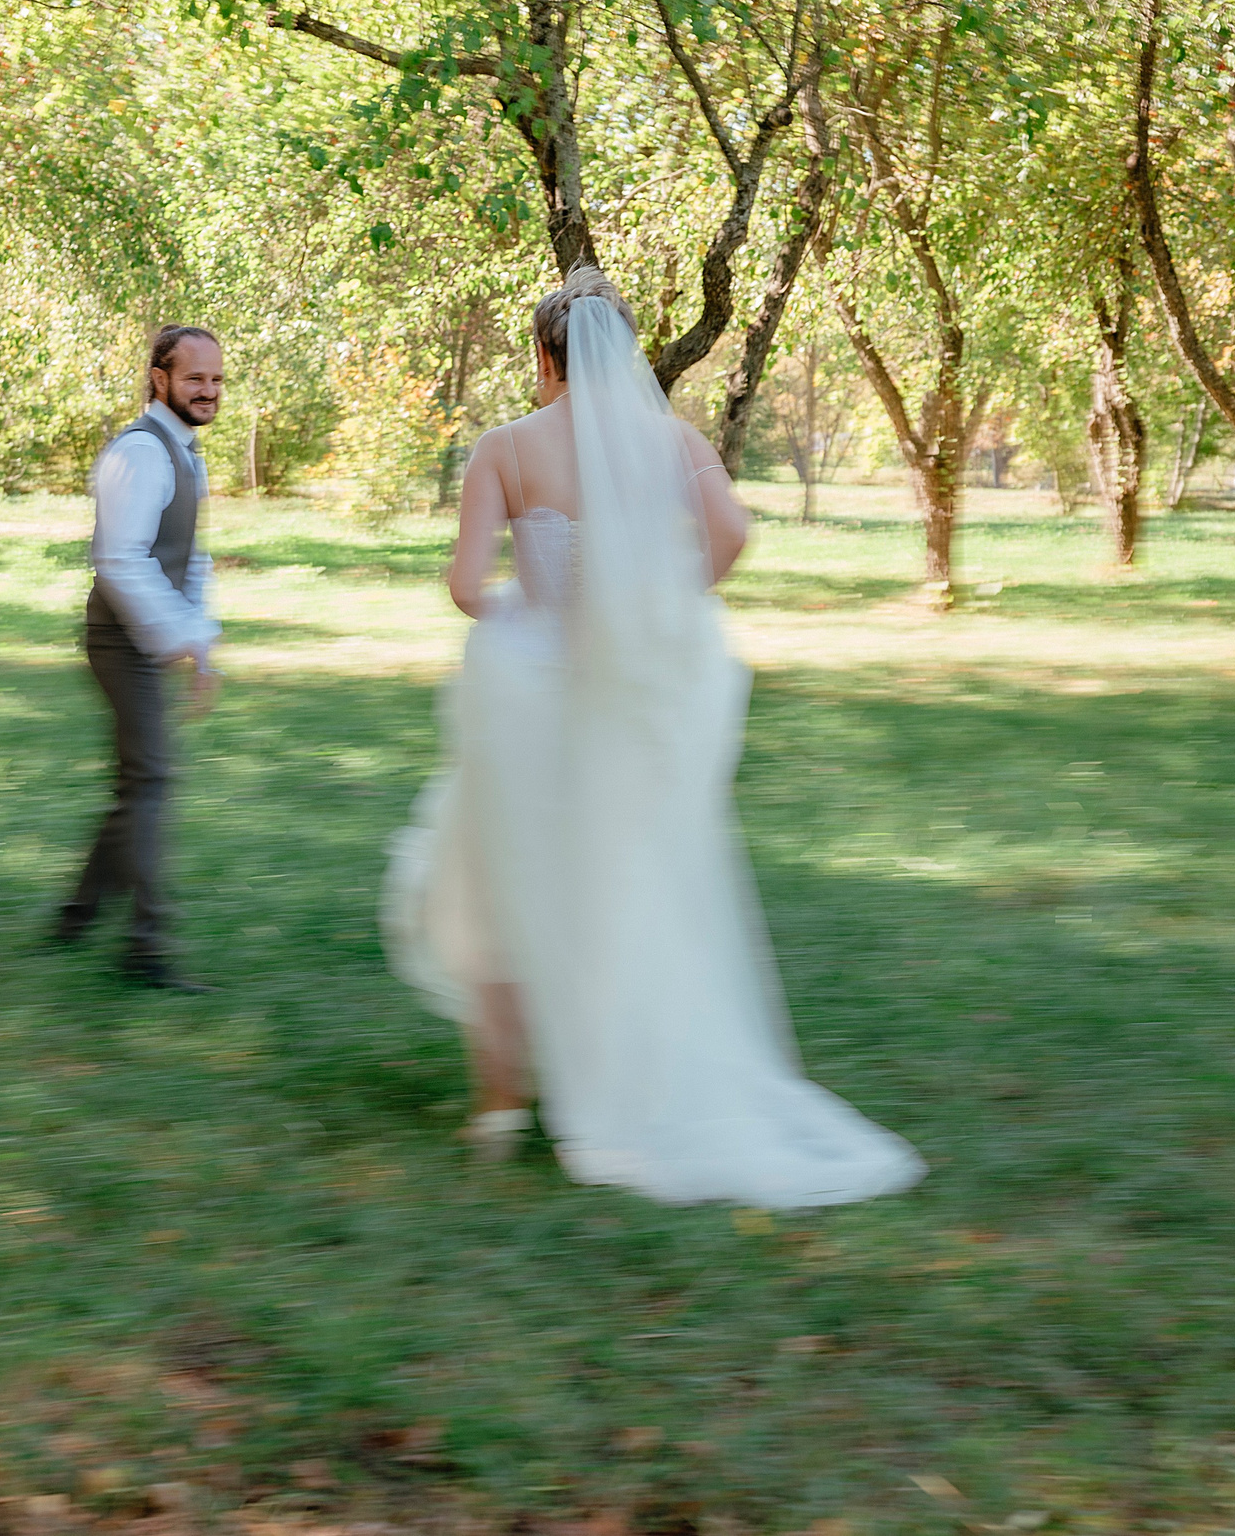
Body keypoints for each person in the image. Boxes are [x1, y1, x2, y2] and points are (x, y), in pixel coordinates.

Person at [382, 267, 924, 1207]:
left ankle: (502, 1106)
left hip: (535, 694)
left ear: (545, 357)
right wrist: (658, 605)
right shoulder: (670, 441)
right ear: (623, 352)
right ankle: (623, 1073)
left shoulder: (505, 448)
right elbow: (731, 533)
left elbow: (469, 589)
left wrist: (530, 605)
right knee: (620, 884)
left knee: (501, 878)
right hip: (628, 697)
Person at [52, 325, 226, 992]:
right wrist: (179, 638)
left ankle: (76, 914)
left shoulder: (186, 451)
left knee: (136, 785)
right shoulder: (140, 452)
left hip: (146, 639)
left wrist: (199, 640)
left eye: (215, 380)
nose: (208, 391)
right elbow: (119, 559)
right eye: (194, 379)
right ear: (160, 378)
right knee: (151, 782)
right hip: (117, 643)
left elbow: (190, 555)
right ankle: (146, 946)